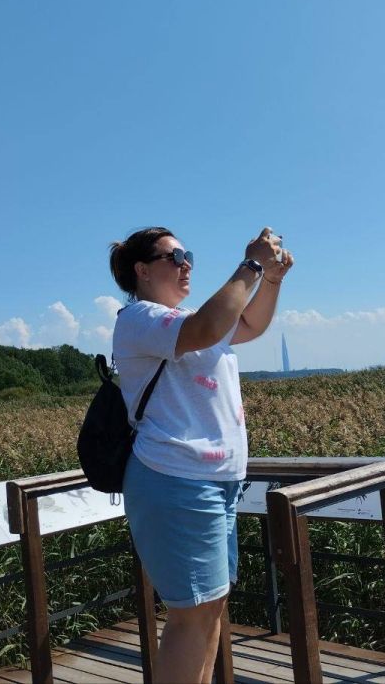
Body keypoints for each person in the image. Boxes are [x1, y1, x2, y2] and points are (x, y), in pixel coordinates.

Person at [108, 226, 294, 683]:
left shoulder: (189, 316)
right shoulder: (140, 319)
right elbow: (207, 328)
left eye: (188, 254)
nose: (187, 263)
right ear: (143, 270)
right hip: (176, 479)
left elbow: (248, 325)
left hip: (214, 482)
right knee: (191, 614)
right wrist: (251, 265)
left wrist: (270, 280)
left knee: (210, 606)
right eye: (176, 256)